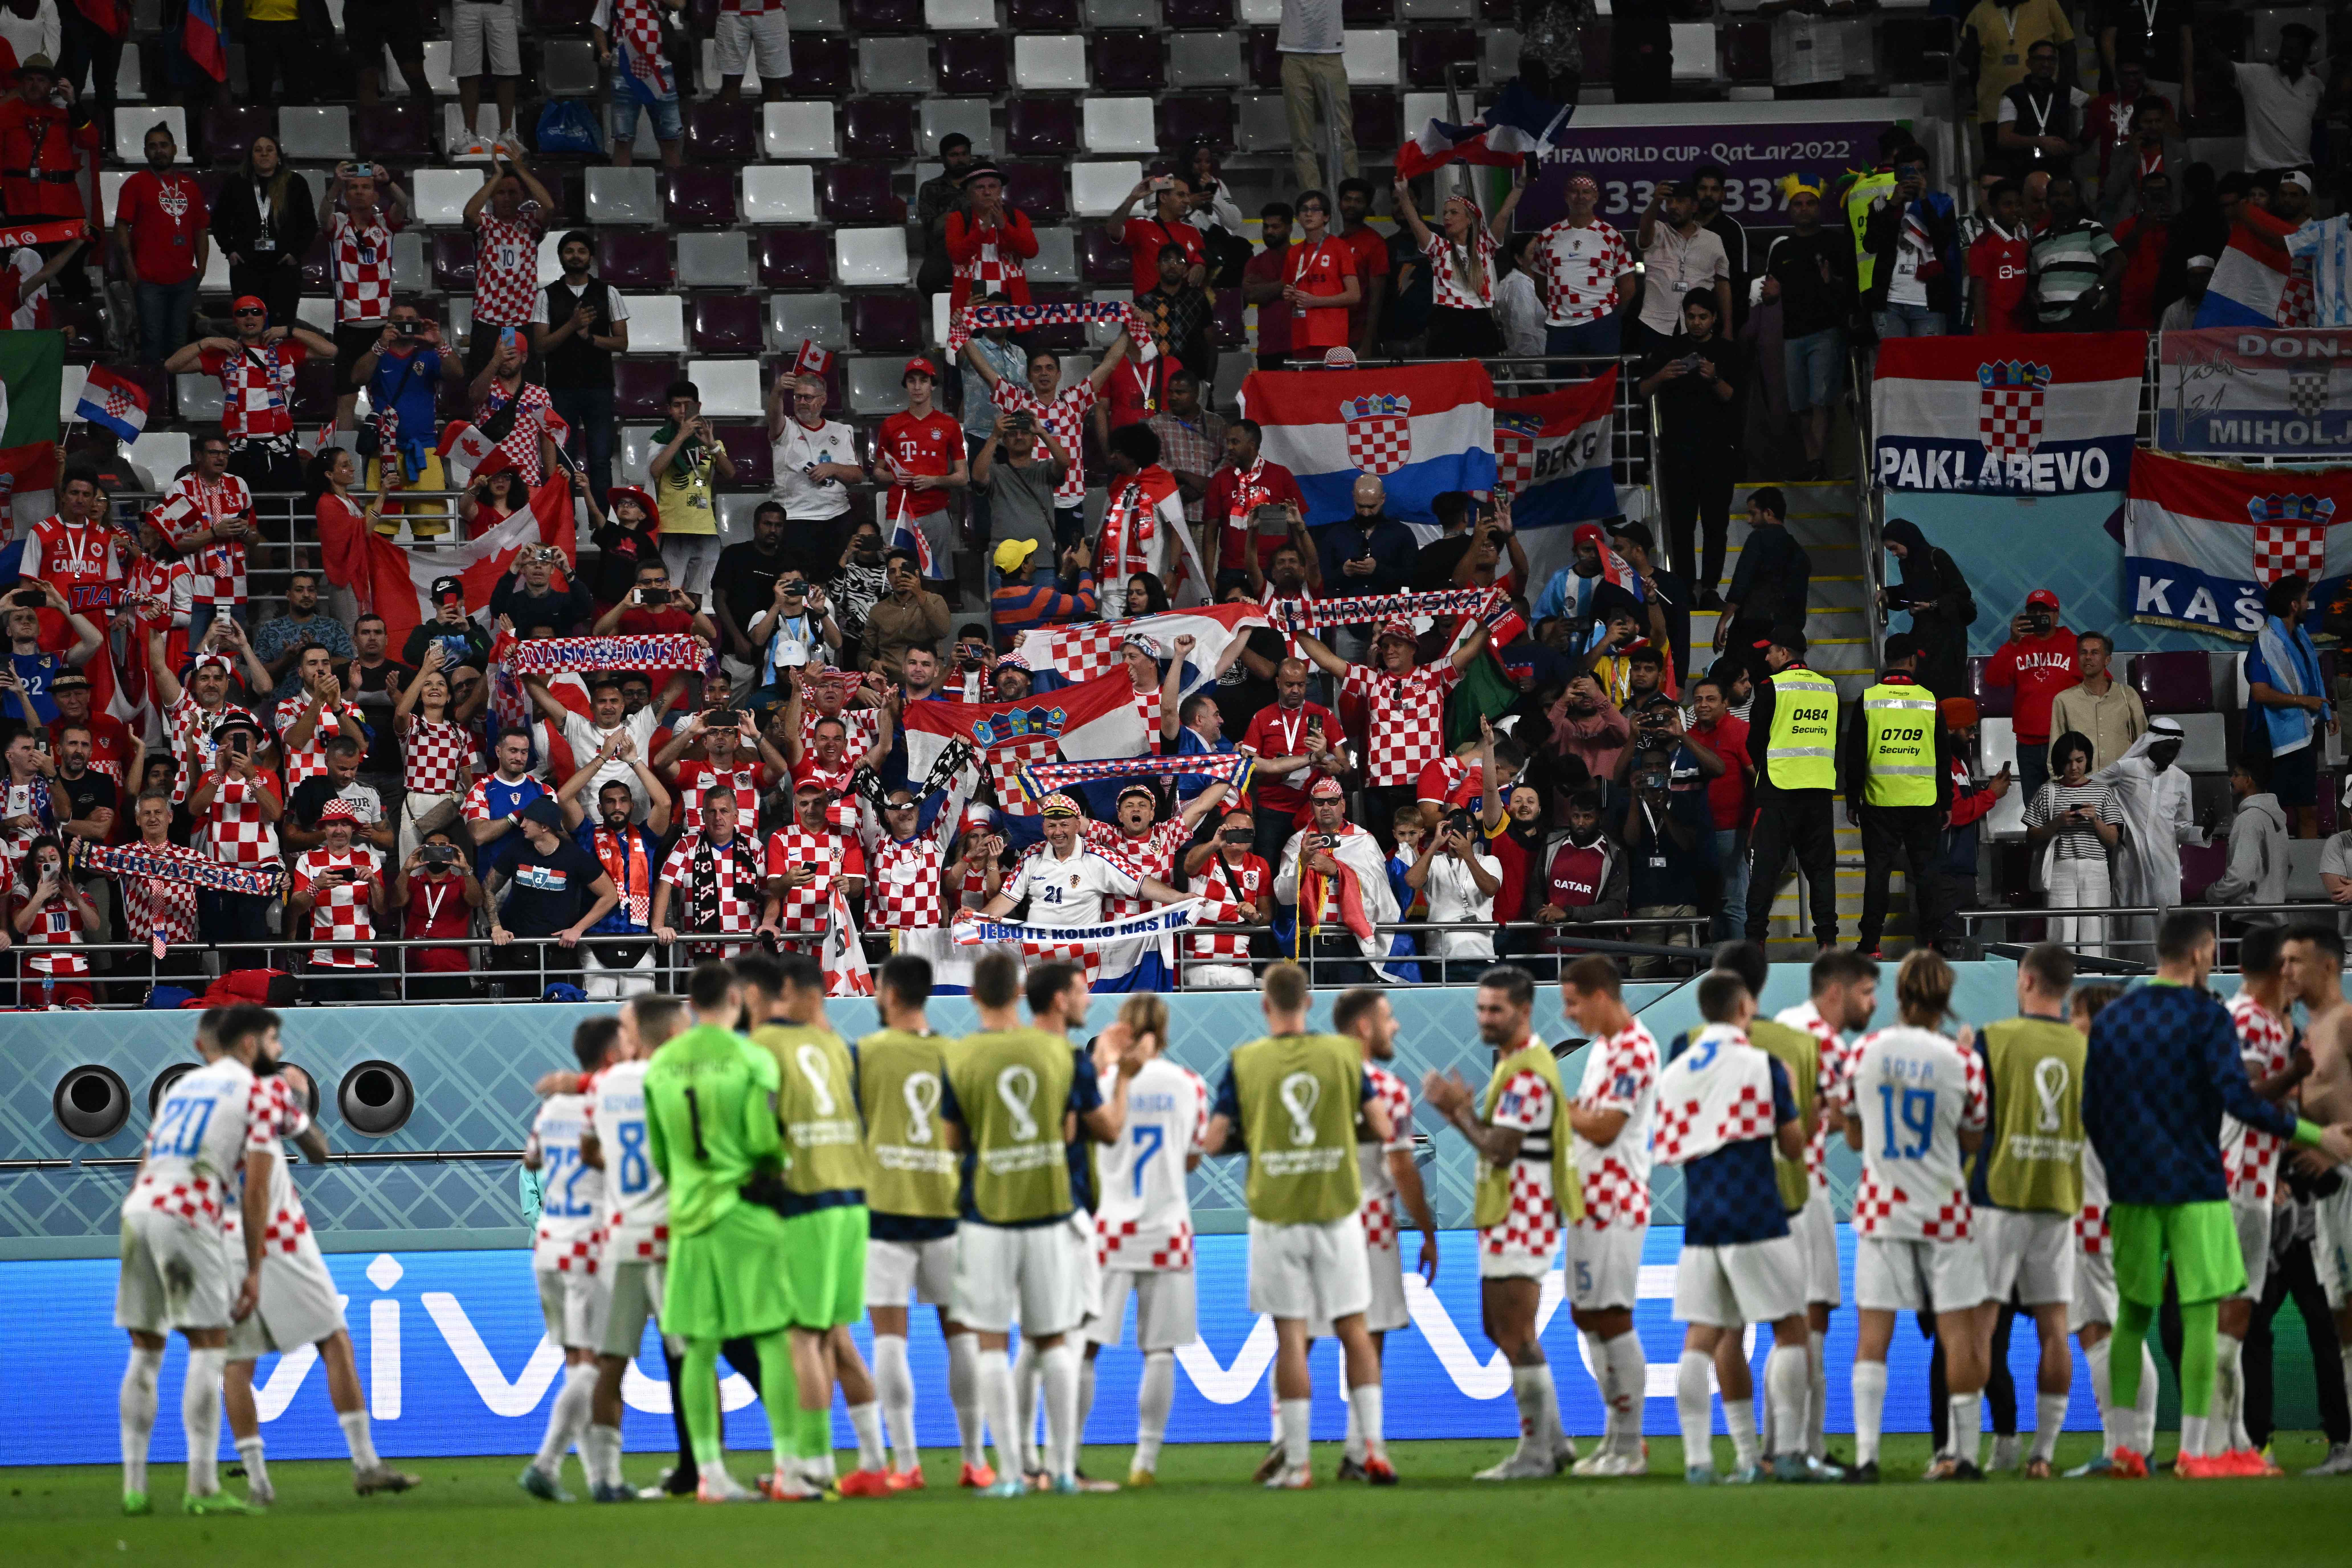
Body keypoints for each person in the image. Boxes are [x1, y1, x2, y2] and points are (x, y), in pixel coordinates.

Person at [2082, 913, 2348, 1478]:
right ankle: (2198, 1452)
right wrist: (2315, 1136)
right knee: (2206, 1315)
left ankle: (2127, 1448)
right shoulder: (2210, 1017)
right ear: (2203, 952)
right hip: (2200, 1184)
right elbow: (2241, 1101)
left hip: (2132, 1186)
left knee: (2132, 1314)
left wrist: (2117, 1173)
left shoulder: (2115, 1015)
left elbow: (2092, 1112)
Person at [942, 954, 1135, 1496]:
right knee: (1054, 1341)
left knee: (990, 1342)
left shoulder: (961, 1057)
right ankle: (1063, 1468)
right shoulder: (1063, 1055)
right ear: (1020, 991)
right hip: (1051, 1209)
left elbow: (952, 1141)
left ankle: (1008, 1473)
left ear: (975, 995)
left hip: (986, 1213)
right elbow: (1088, 1126)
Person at [1202, 961, 1390, 1487]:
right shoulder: (1343, 1055)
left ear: (1266, 1005)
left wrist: (1256, 1137)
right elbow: (1380, 1124)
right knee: (1355, 1329)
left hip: (1277, 1213)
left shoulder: (1245, 1061)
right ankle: (1373, 1448)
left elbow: (1215, 1140)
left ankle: (1298, 1462)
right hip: (1337, 1208)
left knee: (1292, 1336)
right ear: (1308, 1003)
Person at [637, 962, 807, 1500]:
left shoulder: (659, 1064)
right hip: (744, 1212)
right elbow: (763, 1140)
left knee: (698, 1346)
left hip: (687, 1218)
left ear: (690, 1003)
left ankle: (709, 1473)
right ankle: (789, 1465)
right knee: (774, 1339)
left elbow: (661, 1155)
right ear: (736, 998)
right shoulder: (750, 1055)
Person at [732, 953, 892, 1499]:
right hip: (852, 1201)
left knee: (800, 1333)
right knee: (833, 1334)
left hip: (804, 1200)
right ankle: (871, 1458)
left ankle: (811, 1465)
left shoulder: (762, 1049)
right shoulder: (836, 1046)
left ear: (762, 995)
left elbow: (755, 1135)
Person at [112, 1005, 280, 1516]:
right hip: (189, 1214)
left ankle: (135, 1486)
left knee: (145, 1349)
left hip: (140, 1209)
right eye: (271, 1041)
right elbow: (256, 1191)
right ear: (248, 1046)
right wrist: (253, 1267)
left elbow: (147, 1159)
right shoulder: (256, 1093)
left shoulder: (182, 1089)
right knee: (210, 1346)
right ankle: (202, 1484)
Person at [1654, 968, 1814, 1483]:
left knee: (1701, 1338)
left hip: (1701, 1216)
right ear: (1745, 1007)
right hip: (1757, 1211)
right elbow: (1793, 1146)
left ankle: (1704, 1460)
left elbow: (1668, 1147)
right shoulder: (1762, 1064)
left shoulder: (1677, 1069)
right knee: (1791, 1326)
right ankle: (1786, 1451)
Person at [1840, 948, 1992, 1483]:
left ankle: (1865, 1457)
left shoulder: (1864, 1052)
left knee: (1872, 1336)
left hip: (1883, 1208)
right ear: (1945, 999)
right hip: (1945, 1209)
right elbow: (1973, 1137)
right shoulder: (1962, 1061)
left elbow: (1854, 1133)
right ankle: (1968, 1454)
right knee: (1960, 1335)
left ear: (1899, 994)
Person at [1963, 942, 2086, 1479]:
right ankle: (2044, 1452)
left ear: (2028, 980)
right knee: (2054, 1328)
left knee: (1981, 1324)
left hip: (2000, 1195)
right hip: (2059, 1196)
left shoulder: (1995, 1039)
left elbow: (1972, 1120)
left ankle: (1969, 1450)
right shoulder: (2086, 1048)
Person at [1552, 956, 1662, 1475]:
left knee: (1612, 1314)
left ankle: (1630, 1441)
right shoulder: (1604, 1052)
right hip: (1587, 1197)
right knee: (1585, 1313)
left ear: (1600, 995)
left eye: (1573, 1002)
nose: (1569, 1014)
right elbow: (1586, 1114)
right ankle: (1615, 1436)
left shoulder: (1635, 1049)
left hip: (1616, 1198)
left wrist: (1557, 1105)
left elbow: (1604, 1127)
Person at [2212, 926, 2308, 1469]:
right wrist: (2296, 1074)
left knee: (2238, 1313)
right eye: (2289, 962)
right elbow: (2246, 1094)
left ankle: (2231, 1442)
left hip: (2253, 1179)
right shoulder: (2248, 1018)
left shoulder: (2271, 1022)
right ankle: (2225, 1444)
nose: (2295, 972)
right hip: (2236, 1182)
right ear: (2275, 969)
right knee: (2233, 1312)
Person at [1845, 633, 1951, 961]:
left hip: (1880, 802)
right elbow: (1943, 756)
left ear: (1887, 660)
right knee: (1927, 875)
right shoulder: (1929, 700)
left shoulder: (1869, 698)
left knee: (1877, 874)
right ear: (1912, 661)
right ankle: (1933, 941)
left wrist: (1852, 799)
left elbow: (1855, 755)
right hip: (1923, 802)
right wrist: (1946, 801)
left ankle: (1871, 944)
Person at [969, 340, 1127, 556]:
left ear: (1059, 374)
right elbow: (986, 371)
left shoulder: (1074, 401)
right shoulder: (1019, 402)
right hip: (1030, 502)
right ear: (1029, 377)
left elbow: (1109, 365)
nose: (1044, 374)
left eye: (1050, 368)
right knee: (1033, 569)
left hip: (1069, 499)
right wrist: (964, 334)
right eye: (1038, 369)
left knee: (1072, 566)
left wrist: (1128, 330)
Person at [1640, 290, 1746, 603]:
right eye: (1691, 317)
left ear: (1714, 318)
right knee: (1682, 525)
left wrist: (1714, 378)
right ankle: (1685, 587)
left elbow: (1733, 396)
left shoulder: (1728, 352)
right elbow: (1643, 390)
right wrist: (1663, 374)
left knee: (1716, 524)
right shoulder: (1671, 349)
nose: (1696, 323)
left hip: (1717, 452)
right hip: (1678, 452)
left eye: (1703, 317)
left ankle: (1711, 587)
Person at [1742, 625, 1838, 950]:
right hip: (1820, 788)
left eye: (1770, 651)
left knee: (1765, 869)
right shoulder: (1829, 688)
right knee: (1822, 871)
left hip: (1779, 789)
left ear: (1784, 654)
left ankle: (1756, 940)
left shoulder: (1771, 686)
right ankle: (1827, 941)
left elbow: (1755, 741)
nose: (1767, 657)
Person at [1759, 180, 1855, 481]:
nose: (1804, 209)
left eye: (1810, 203)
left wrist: (1833, 281)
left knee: (1820, 401)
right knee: (1800, 406)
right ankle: (1814, 462)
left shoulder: (1835, 243)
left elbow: (1852, 289)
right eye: (1798, 204)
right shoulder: (1783, 248)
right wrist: (1770, 295)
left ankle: (1817, 463)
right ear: (1790, 210)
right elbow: (1771, 293)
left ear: (1819, 207)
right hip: (1793, 335)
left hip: (1827, 332)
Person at [560, 752, 671, 999]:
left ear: (632, 805)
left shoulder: (647, 837)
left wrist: (634, 760)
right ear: (600, 807)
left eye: (623, 801)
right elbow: (564, 797)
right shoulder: (587, 835)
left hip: (641, 940)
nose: (617, 806)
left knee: (641, 1019)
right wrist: (603, 758)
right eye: (610, 802)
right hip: (596, 939)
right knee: (600, 1017)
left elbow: (664, 803)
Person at [484, 797, 620, 994]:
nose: (522, 825)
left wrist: (578, 929)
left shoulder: (575, 856)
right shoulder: (516, 849)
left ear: (545, 827)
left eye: (528, 820)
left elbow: (610, 895)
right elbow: (487, 888)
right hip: (514, 949)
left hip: (558, 953)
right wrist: (496, 927)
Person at [1273, 777, 1400, 985]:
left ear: (1343, 804)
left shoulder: (1363, 840)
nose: (1326, 807)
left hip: (1350, 944)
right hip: (1308, 943)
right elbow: (1284, 897)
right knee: (1311, 1013)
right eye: (1319, 802)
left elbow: (1381, 893)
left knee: (1349, 1012)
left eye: (1332, 801)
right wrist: (1302, 863)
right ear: (1312, 805)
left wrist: (1337, 869)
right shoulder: (1298, 842)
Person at [533, 229, 629, 504]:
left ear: (591, 257)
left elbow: (622, 343)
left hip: (599, 388)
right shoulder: (546, 295)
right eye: (569, 251)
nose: (576, 256)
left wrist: (589, 337)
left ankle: (602, 525)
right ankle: (565, 521)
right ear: (561, 257)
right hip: (560, 389)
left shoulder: (608, 292)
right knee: (564, 459)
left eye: (582, 251)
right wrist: (572, 326)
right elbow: (541, 346)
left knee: (601, 460)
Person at [320, 162, 411, 432]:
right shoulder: (339, 224)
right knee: (346, 400)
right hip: (349, 324)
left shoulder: (385, 223)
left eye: (366, 187)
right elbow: (322, 214)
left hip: (384, 324)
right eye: (354, 188)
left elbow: (404, 204)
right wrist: (336, 183)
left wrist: (388, 181)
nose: (360, 192)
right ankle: (345, 462)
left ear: (375, 195)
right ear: (346, 194)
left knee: (390, 396)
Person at [1390, 173, 1520, 358]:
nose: (1447, 218)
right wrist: (1403, 194)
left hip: (1479, 320)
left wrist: (1521, 183)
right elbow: (1415, 222)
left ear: (1470, 220)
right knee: (1447, 380)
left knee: (1480, 380)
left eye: (1454, 212)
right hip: (1446, 320)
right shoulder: (1439, 248)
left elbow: (1505, 214)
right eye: (1445, 213)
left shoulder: (1485, 246)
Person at [113, 121, 209, 364]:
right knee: (152, 343)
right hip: (148, 280)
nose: (159, 151)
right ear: (146, 152)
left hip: (184, 279)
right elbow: (122, 228)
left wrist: (202, 268)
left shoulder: (190, 186)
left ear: (175, 149)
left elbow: (200, 230)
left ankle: (176, 399)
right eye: (153, 146)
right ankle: (155, 399)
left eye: (164, 145)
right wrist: (131, 271)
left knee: (179, 343)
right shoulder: (135, 184)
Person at [2245, 573, 2331, 840]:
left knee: (2308, 811)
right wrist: (2306, 702)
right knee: (2272, 816)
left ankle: (2309, 878)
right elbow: (2260, 693)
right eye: (2305, 600)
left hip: (2302, 738)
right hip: (2271, 741)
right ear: (2294, 605)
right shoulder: (2263, 643)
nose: (2308, 605)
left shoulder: (2301, 639)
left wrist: (2326, 713)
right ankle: (2273, 879)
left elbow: (2310, 683)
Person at [876, 359, 968, 595]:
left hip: (935, 511)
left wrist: (934, 480)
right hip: (900, 511)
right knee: (896, 577)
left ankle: (933, 628)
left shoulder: (949, 425)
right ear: (906, 385)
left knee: (935, 579)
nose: (917, 387)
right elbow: (878, 472)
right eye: (912, 381)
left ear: (933, 386)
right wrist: (894, 477)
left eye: (924, 381)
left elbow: (962, 477)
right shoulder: (891, 425)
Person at [2024, 730, 2122, 953]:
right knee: (2060, 936)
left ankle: (2095, 981)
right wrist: (2057, 823)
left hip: (2095, 868)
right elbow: (2031, 837)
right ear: (2059, 763)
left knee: (2096, 936)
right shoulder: (2048, 791)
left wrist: (2095, 820)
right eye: (2068, 762)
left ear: (2088, 760)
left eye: (2080, 761)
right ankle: (2060, 984)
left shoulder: (2102, 791)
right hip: (2060, 867)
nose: (2074, 768)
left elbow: (2113, 840)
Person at [460, 148, 552, 378]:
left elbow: (549, 207)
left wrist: (521, 169)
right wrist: (496, 176)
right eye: (501, 193)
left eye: (513, 192)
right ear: (493, 196)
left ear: (522, 196)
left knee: (526, 385)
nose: (507, 198)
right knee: (483, 382)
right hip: (488, 319)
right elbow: (469, 213)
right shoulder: (487, 225)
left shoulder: (530, 224)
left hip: (523, 319)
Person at [208, 135, 315, 330]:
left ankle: (280, 362)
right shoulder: (236, 183)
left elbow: (309, 225)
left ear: (279, 157)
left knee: (282, 328)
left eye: (269, 149)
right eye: (258, 150)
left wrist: (295, 254)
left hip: (284, 269)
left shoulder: (295, 183)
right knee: (250, 327)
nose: (264, 154)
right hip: (247, 269)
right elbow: (219, 221)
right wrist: (229, 249)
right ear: (251, 157)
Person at [1983, 587, 2075, 803]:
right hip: (2028, 745)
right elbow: (1994, 680)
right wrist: (2013, 642)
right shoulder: (2018, 645)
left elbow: (2101, 684)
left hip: (2063, 741)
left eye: (2044, 612)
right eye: (2032, 612)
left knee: (2067, 805)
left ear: (2056, 615)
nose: (2038, 617)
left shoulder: (2074, 645)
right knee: (2034, 808)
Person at [287, 799, 384, 1000]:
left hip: (364, 960)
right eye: (333, 824)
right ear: (323, 828)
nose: (339, 830)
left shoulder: (370, 859)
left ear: (353, 829)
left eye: (345, 824)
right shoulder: (308, 860)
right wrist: (316, 887)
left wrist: (374, 882)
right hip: (322, 960)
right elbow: (296, 907)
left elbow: (382, 910)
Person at [1959, 0, 2077, 165]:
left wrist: (2066, 89)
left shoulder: (2047, 4)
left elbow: (2067, 46)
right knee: (2000, 174)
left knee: (2046, 172)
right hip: (1993, 110)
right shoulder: (1980, 10)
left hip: (2041, 109)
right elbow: (1968, 61)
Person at [1862, 144, 1960, 340]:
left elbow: (1944, 244)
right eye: (1908, 171)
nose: (1915, 177)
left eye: (1920, 172)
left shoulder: (1941, 204)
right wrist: (1893, 204)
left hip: (1929, 304)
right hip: (1890, 304)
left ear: (1928, 174)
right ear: (1897, 174)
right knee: (1895, 369)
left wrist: (1924, 201)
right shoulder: (1881, 204)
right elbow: (1871, 245)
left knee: (1928, 368)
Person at [1536, 173, 1638, 360]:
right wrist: (1557, 309)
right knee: (1565, 385)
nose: (1581, 197)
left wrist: (1611, 318)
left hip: (1601, 323)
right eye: (1575, 192)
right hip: (1560, 325)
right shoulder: (1548, 236)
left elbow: (1629, 285)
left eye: (1586, 192)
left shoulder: (1612, 235)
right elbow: (1540, 283)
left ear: (1596, 197)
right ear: (1567, 197)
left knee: (1602, 382)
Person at [1876, 518, 1974, 702]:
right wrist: (1888, 594)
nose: (1894, 554)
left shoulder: (1937, 557)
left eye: (1895, 548)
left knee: (1945, 691)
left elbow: (1962, 594)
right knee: (1924, 688)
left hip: (1948, 638)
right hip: (1925, 634)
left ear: (1907, 539)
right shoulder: (1907, 564)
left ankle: (1947, 730)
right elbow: (1912, 590)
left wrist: (1932, 606)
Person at [1633, 179, 1731, 354]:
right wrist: (1656, 202)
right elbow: (1644, 235)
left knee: (1696, 378)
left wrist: (1728, 328)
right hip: (1655, 324)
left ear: (1694, 207)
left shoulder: (1713, 240)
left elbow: (1723, 284)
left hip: (1698, 327)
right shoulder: (1657, 230)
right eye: (1669, 202)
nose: (1673, 207)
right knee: (1655, 377)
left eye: (1680, 202)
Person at [1715, 489, 1810, 657]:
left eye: (1753, 513)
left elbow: (1741, 584)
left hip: (1752, 628)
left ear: (1768, 513)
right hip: (1783, 634)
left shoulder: (1758, 539)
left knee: (1738, 676)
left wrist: (1724, 621)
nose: (1749, 520)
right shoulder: (1799, 552)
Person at [1275, 0, 1353, 196]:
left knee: (1343, 133)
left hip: (1331, 56)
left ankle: (1350, 196)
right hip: (1294, 57)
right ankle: (1312, 200)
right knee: (1302, 138)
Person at [2026, 174, 2124, 329]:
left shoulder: (2091, 229)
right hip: (2046, 323)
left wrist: (2098, 289)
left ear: (2078, 200)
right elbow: (2033, 280)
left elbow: (2119, 261)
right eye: (2056, 195)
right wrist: (2033, 296)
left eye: (2067, 195)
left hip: (2082, 320)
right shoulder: (2038, 241)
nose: (2061, 200)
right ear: (2048, 200)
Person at [2045, 632, 2146, 777]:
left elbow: (2143, 743)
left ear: (2107, 660)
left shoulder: (2128, 695)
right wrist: (2063, 788)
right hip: (2082, 785)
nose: (2088, 657)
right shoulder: (2064, 700)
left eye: (2095, 653)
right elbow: (2056, 751)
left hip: (2122, 782)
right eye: (2083, 653)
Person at [2233, 23, 2322, 177]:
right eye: (2284, 49)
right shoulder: (2257, 74)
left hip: (2301, 170)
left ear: (2306, 54)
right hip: (2261, 171)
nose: (2286, 55)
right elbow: (2222, 67)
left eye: (2293, 50)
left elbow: (2320, 126)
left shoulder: (2315, 85)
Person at [1282, 190, 1360, 361]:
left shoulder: (1340, 247)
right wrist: (1288, 296)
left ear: (1327, 217)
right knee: (1306, 387)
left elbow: (1355, 295)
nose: (1309, 214)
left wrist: (1316, 302)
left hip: (1332, 337)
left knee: (1332, 387)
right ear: (1298, 217)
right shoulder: (1293, 253)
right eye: (1304, 209)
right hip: (1301, 336)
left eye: (1316, 209)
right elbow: (1291, 292)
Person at [2204, 758, 2287, 911]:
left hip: (2252, 919)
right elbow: (2287, 868)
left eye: (2236, 775)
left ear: (2249, 780)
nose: (2231, 779)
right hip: (2276, 916)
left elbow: (2241, 877)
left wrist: (2211, 894)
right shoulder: (2276, 817)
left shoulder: (2249, 819)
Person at [1111, 173, 1208, 299]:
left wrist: (1200, 266)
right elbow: (1112, 229)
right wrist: (1133, 199)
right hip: (1149, 310)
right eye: (1181, 195)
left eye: (1188, 196)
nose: (1188, 201)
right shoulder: (1141, 226)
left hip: (1183, 311)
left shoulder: (1192, 232)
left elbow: (1203, 256)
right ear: (1163, 198)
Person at [1965, 177, 2033, 334]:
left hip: (2023, 332)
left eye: (2019, 205)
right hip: (1996, 332)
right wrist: (1982, 339)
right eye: (2008, 205)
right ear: (1994, 209)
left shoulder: (2024, 243)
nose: (2015, 210)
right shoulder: (1982, 245)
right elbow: (1979, 297)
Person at [915, 133, 976, 295]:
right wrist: (960, 207)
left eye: (965, 154)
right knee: (927, 281)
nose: (961, 160)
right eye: (954, 155)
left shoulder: (981, 185)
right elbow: (932, 231)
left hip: (981, 246)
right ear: (943, 159)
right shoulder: (930, 188)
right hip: (945, 249)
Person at [1242, 202, 1297, 369]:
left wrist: (1265, 288)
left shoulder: (1301, 258)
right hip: (1268, 350)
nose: (1269, 232)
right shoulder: (1256, 262)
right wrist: (1284, 284)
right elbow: (1251, 295)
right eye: (1266, 227)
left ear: (1289, 228)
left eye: (1275, 227)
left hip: (1299, 347)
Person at [712, 0, 792, 103]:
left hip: (772, 11)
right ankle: (731, 119)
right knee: (731, 79)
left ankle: (774, 119)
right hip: (731, 11)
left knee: (774, 80)